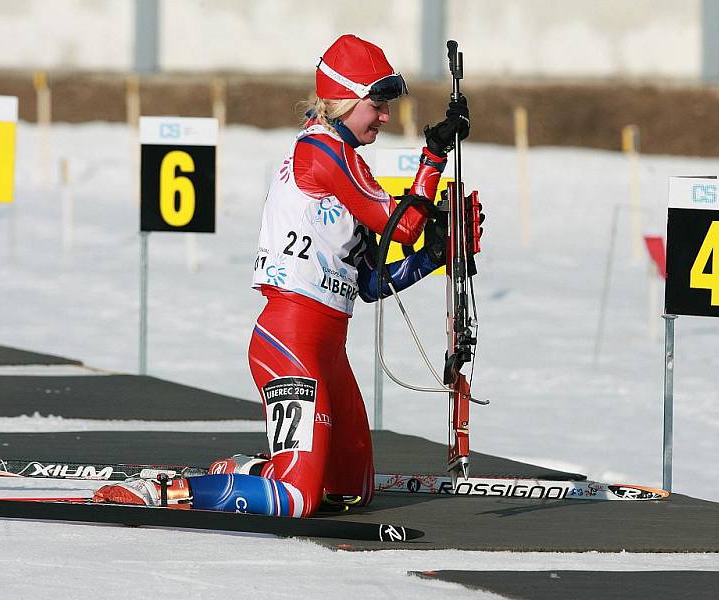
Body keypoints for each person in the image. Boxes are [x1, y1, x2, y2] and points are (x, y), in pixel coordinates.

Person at [94, 34, 474, 517]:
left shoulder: (352, 166)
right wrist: (433, 158)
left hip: (328, 348)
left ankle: (245, 470)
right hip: (290, 338)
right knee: (295, 499)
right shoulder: (323, 153)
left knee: (352, 491)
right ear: (345, 101)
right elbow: (404, 229)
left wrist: (436, 255)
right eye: (376, 106)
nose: (384, 117)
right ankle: (163, 492)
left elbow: (372, 283)